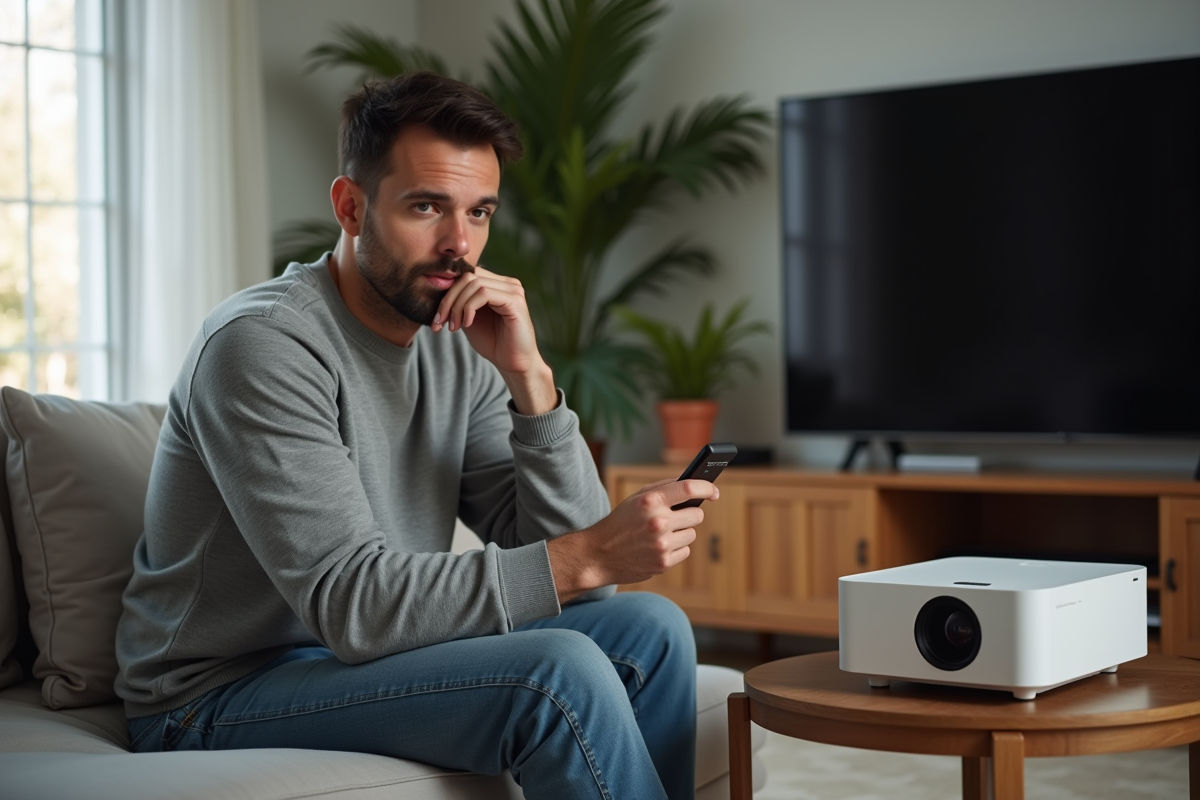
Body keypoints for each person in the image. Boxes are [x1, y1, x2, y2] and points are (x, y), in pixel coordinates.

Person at [114, 70, 719, 800]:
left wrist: (531, 384)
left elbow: (591, 577)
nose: (459, 245)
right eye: (427, 207)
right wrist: (587, 555)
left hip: (356, 662)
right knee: (558, 674)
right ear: (351, 207)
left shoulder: (452, 345)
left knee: (648, 628)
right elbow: (354, 604)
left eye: (480, 212)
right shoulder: (263, 345)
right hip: (212, 693)